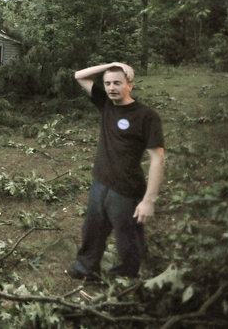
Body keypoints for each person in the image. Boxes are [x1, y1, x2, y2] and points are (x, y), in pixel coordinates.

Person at [66, 62, 165, 280]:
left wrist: (149, 200)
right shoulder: (106, 104)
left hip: (127, 188)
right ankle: (86, 268)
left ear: (130, 85)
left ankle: (123, 279)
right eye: (108, 83)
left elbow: (158, 158)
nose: (111, 88)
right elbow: (79, 75)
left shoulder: (146, 116)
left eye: (117, 83)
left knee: (128, 239)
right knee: (92, 230)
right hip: (100, 183)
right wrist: (113, 65)